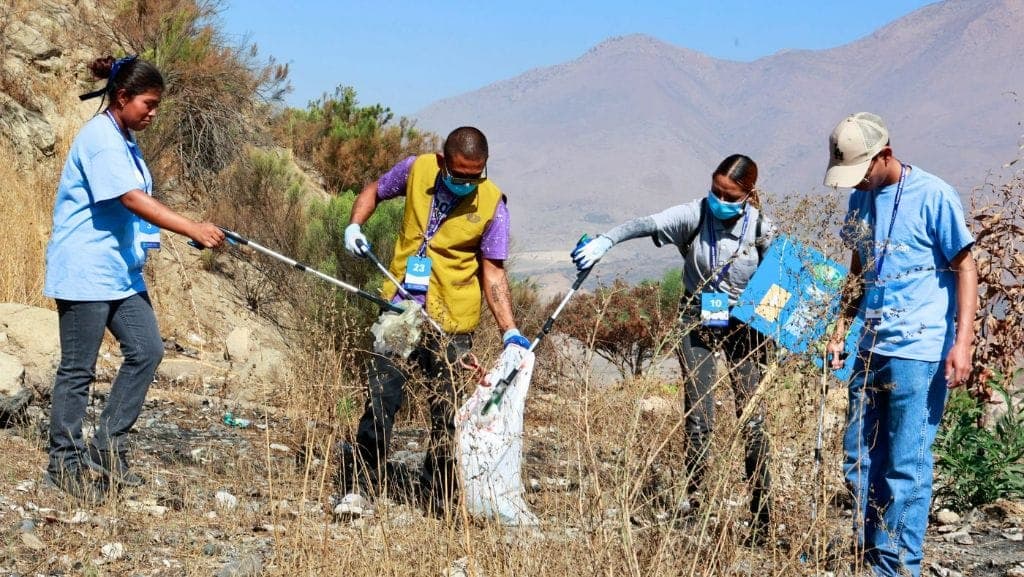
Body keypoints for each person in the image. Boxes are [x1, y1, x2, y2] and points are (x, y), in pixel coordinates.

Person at [44, 55, 225, 503]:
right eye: (148, 103)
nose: (153, 112)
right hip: (85, 270)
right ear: (122, 97)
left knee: (147, 350)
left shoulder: (124, 138)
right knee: (78, 370)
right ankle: (62, 462)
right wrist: (191, 227)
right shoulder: (101, 140)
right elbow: (131, 199)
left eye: (157, 104)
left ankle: (107, 446)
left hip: (118, 272)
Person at [571, 154, 776, 540]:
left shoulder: (763, 229)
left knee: (753, 419)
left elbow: (782, 285)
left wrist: (772, 329)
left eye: (728, 194)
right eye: (714, 190)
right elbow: (646, 224)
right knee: (700, 415)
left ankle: (762, 518)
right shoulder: (694, 214)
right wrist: (606, 240)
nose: (718, 198)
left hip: (746, 326)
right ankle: (697, 507)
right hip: (697, 317)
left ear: (748, 195)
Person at [340, 126, 530, 514]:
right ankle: (360, 487)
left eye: (476, 176)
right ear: (443, 162)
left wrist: (509, 329)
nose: (468, 183)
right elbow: (375, 189)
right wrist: (355, 224)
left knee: (448, 412)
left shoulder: (493, 203)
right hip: (400, 309)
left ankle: (439, 495)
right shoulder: (418, 169)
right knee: (381, 398)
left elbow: (492, 272)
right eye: (459, 175)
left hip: (452, 322)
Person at [823, 112, 977, 577]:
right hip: (868, 347)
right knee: (859, 457)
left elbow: (966, 265)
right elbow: (856, 268)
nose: (860, 182)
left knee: (906, 464)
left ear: (884, 155)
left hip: (918, 351)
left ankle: (897, 567)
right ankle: (870, 552)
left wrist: (963, 342)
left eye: (863, 171)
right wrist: (838, 330)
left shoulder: (934, 195)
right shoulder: (859, 198)